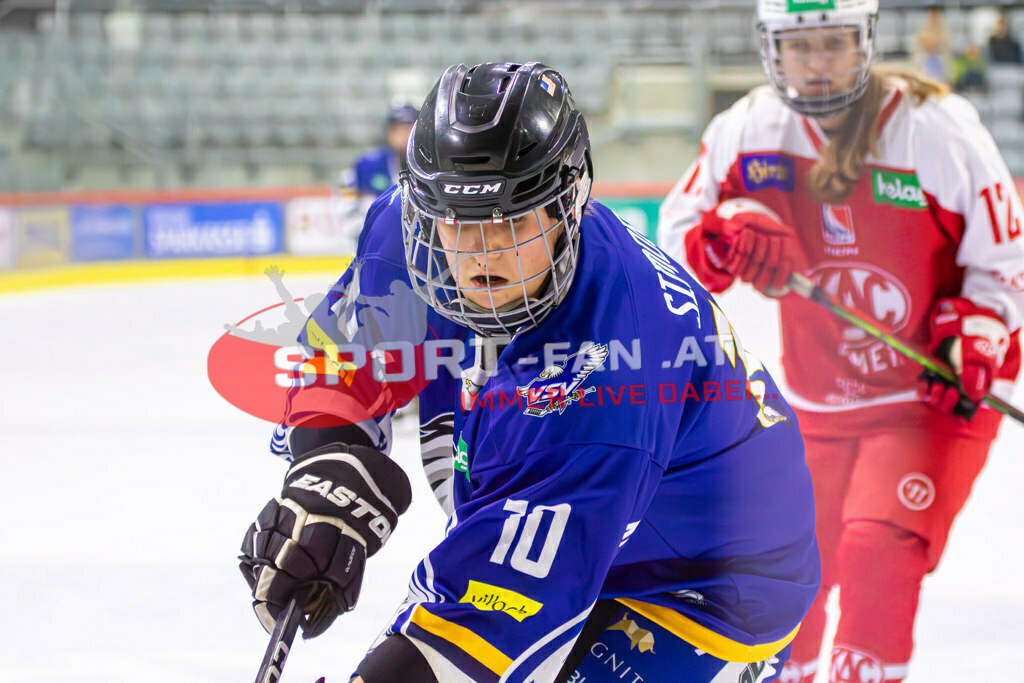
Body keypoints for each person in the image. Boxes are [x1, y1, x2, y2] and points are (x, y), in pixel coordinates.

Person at [238, 62, 820, 682]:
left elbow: (495, 613)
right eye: (459, 222)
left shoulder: (609, 368)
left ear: (568, 205)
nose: (483, 254)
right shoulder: (411, 226)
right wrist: (327, 464)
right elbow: (343, 356)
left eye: (512, 222)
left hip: (708, 584)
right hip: (598, 508)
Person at [658, 1, 1024, 682]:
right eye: (800, 45)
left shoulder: (936, 131)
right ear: (772, 48)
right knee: (789, 558)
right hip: (818, 396)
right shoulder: (748, 129)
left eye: (833, 42)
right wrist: (725, 230)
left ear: (865, 42)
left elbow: (1007, 258)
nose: (818, 61)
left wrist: (977, 327)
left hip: (930, 396)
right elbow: (676, 241)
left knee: (876, 548)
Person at [345, 101, 420, 203]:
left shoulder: (429, 165)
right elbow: (349, 200)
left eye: (408, 129)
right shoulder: (367, 163)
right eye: (397, 129)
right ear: (388, 131)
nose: (403, 135)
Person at [912, 6, 952, 83]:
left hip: (938, 63)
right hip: (926, 63)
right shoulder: (923, 29)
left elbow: (946, 49)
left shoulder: (943, 31)